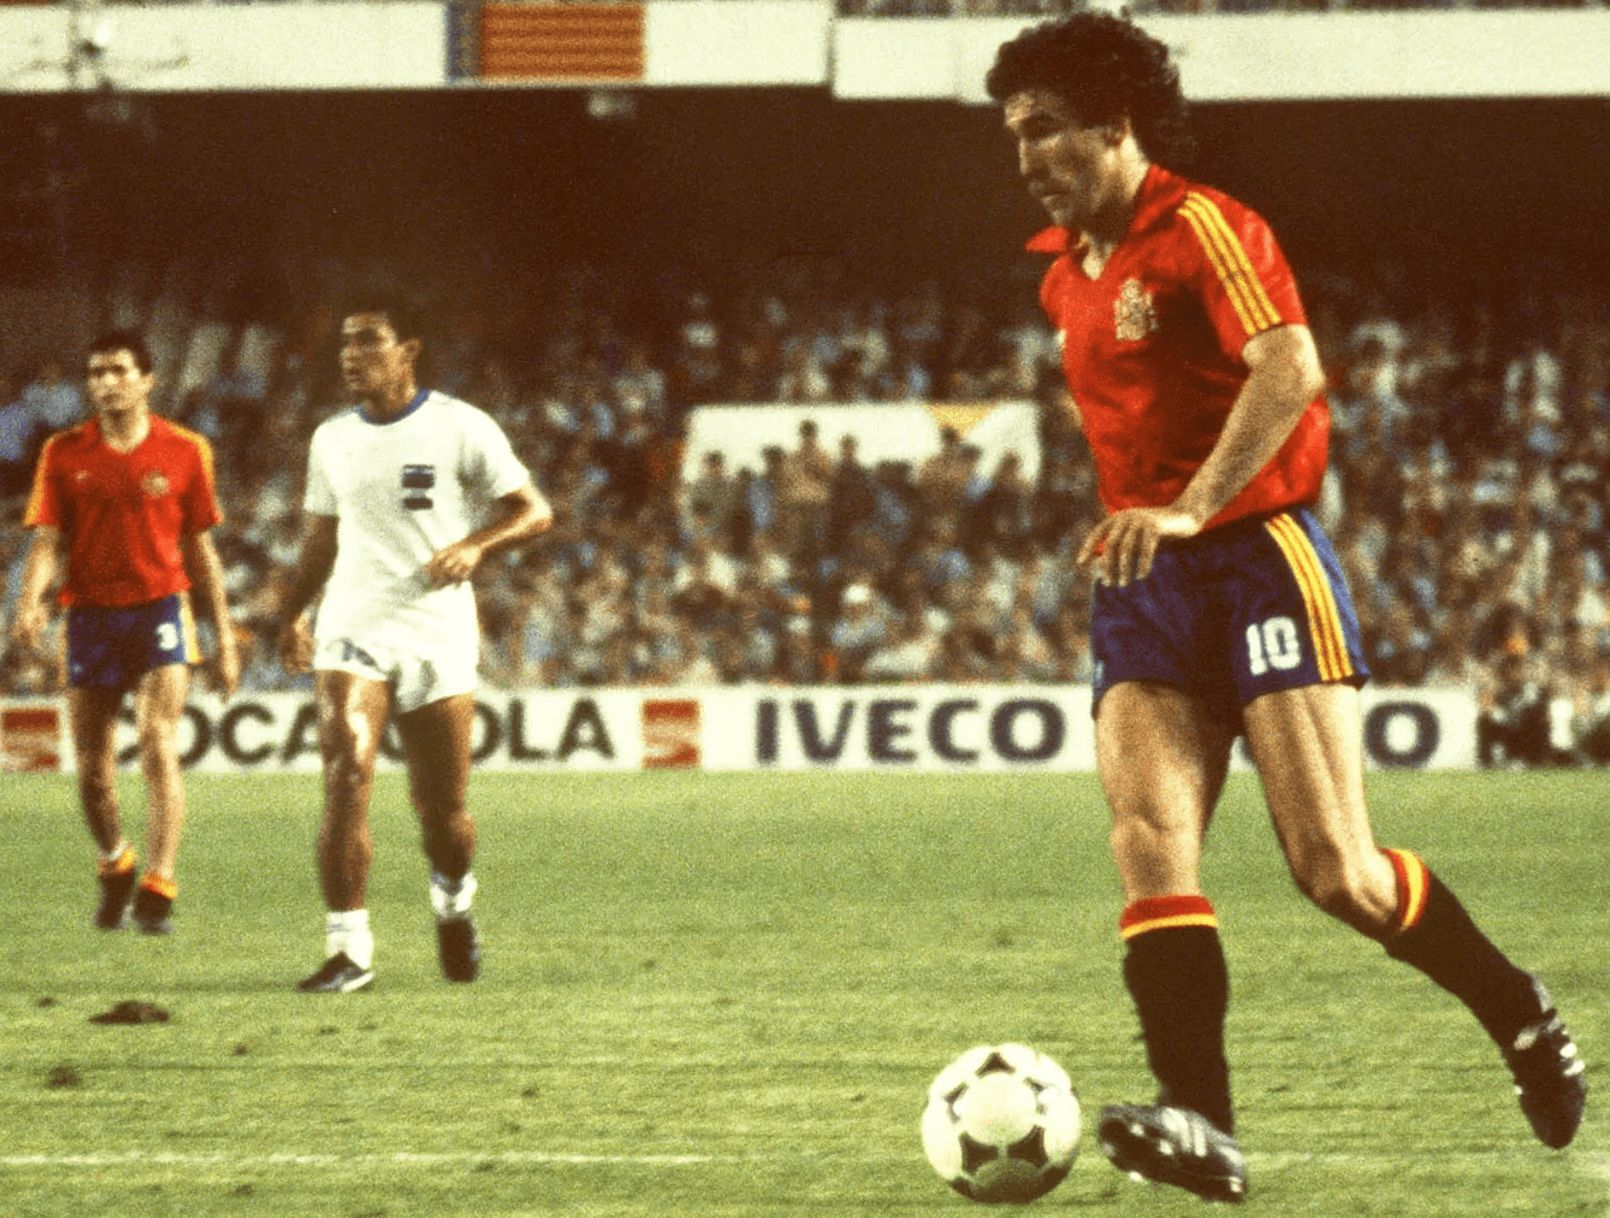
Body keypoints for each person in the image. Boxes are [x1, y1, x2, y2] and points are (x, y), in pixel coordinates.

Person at [987, 14, 1585, 1202]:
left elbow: (1288, 368)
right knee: (1150, 849)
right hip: (1142, 585)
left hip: (1256, 556)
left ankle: (1518, 1012)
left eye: (1044, 129)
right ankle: (1202, 1125)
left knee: (1335, 874)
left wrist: (1191, 507)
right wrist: (1146, 522)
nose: (1024, 157)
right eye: (1012, 135)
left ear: (1113, 126)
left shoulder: (1203, 224)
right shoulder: (1063, 274)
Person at [274, 297, 552, 994]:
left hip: (435, 629)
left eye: (368, 340)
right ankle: (350, 952)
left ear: (409, 351)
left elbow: (535, 510)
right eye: (345, 342)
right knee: (346, 776)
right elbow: (319, 540)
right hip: (353, 626)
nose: (350, 355)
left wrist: (474, 545)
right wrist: (290, 615)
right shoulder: (331, 438)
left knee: (443, 813)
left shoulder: (460, 426)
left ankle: (453, 905)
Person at [10, 330, 239, 933]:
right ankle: (116, 860)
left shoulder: (187, 450)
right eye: (95, 373)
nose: (105, 382)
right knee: (92, 772)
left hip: (161, 608)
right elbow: (46, 540)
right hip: (88, 616)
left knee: (158, 743)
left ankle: (159, 885)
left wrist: (224, 636)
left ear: (147, 380)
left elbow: (201, 549)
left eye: (117, 370)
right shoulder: (64, 452)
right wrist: (31, 602)